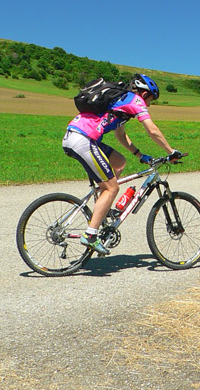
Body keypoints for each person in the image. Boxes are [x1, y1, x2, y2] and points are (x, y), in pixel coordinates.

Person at [62, 73, 181, 255]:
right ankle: (91, 235)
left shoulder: (120, 101)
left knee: (119, 162)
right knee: (112, 188)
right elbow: (152, 130)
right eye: (150, 99)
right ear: (144, 93)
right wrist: (170, 151)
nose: (148, 104)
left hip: (76, 137)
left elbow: (120, 135)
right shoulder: (135, 100)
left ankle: (103, 205)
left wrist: (140, 155)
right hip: (83, 140)